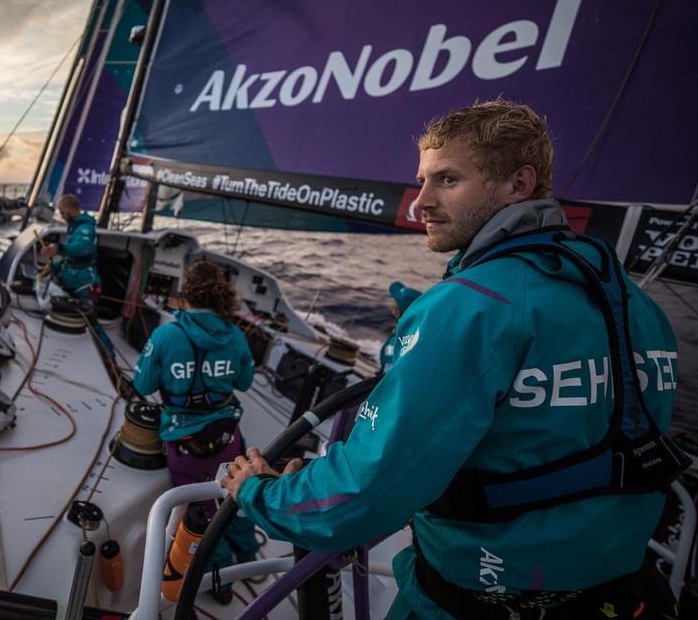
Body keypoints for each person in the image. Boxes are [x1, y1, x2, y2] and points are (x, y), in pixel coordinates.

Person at [220, 100, 682, 619]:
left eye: (446, 180)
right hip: (615, 593)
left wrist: (260, 492)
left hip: (473, 598)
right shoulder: (633, 303)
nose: (421, 203)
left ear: (518, 184)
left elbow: (361, 497)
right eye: (421, 181)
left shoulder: (471, 307)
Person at [133, 260, 259, 604]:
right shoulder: (234, 335)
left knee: (201, 511)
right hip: (228, 436)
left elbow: (142, 383)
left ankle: (221, 581)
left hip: (184, 443)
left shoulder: (165, 335)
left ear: (183, 297)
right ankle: (250, 557)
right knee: (236, 497)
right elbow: (245, 382)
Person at [41, 194, 113, 352]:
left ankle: (108, 355)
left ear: (69, 210)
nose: (60, 215)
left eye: (61, 211)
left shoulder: (85, 229)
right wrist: (54, 268)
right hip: (74, 283)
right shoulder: (75, 228)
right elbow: (71, 260)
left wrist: (59, 248)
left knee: (92, 323)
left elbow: (82, 249)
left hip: (85, 285)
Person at [379, 281, 422, 374]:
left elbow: (389, 375)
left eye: (395, 302)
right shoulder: (419, 333)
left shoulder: (396, 342)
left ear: (398, 311)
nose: (392, 305)